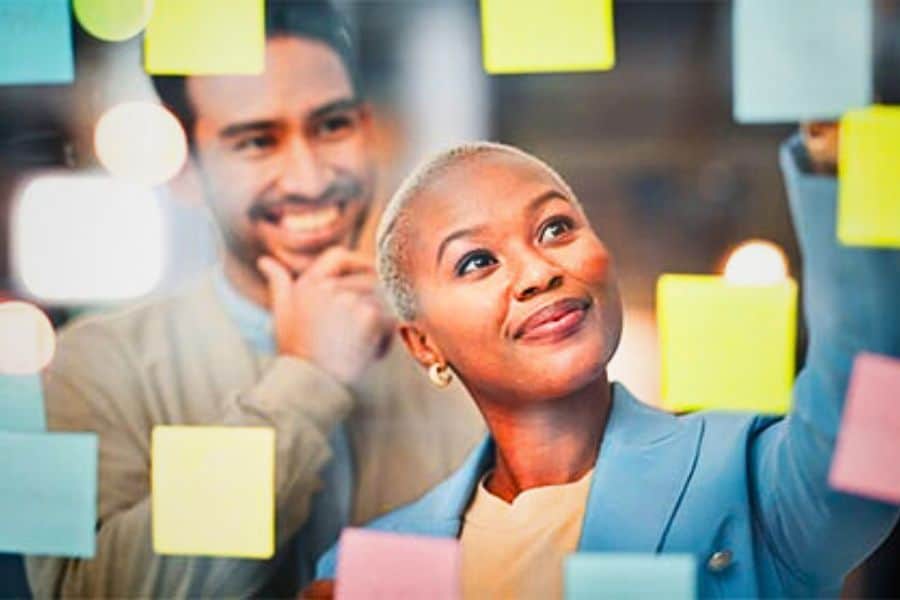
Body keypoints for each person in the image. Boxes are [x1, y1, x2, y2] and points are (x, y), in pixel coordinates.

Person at [311, 130, 900, 598]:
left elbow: (871, 457)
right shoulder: (372, 569)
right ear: (424, 346)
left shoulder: (745, 478)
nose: (539, 271)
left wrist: (834, 163)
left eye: (555, 227)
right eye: (477, 262)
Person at [25, 2, 482, 597]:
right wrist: (306, 380)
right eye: (257, 141)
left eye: (331, 126)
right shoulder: (90, 365)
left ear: (367, 130)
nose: (309, 176)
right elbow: (85, 592)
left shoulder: (452, 344)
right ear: (187, 167)